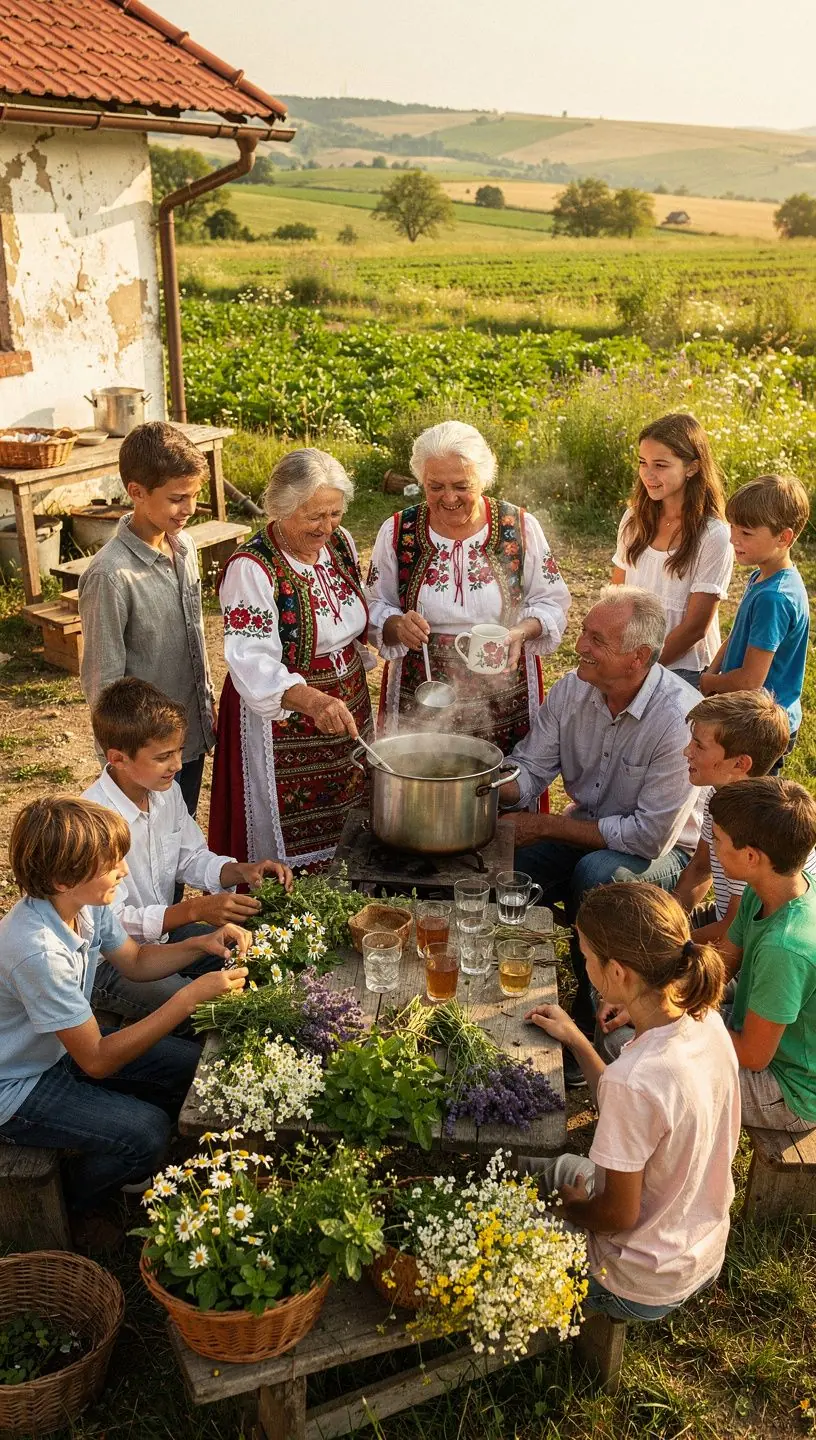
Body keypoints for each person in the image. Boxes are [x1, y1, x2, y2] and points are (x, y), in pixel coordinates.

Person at [0, 798, 248, 1229]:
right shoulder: (37, 951)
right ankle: (76, 1202)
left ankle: (104, 1139)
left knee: (194, 1068)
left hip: (56, 1052)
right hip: (16, 1083)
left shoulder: (86, 905)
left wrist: (199, 944)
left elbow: (134, 960)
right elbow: (96, 1059)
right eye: (111, 864)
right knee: (148, 1134)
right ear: (62, 879)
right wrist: (189, 998)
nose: (124, 871)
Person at [500, 586, 702, 1084]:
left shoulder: (677, 718)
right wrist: (477, 778)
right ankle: (505, 1001)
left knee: (596, 878)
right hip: (586, 825)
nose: (580, 646)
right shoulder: (574, 689)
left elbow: (651, 836)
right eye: (584, 633)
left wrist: (548, 825)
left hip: (670, 851)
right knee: (505, 869)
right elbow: (530, 768)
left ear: (638, 657)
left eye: (596, 639)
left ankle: (595, 1026)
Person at [526, 883, 739, 1324]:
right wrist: (578, 1039)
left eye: (586, 957)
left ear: (618, 973)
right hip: (697, 1246)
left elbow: (617, 1214)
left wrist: (571, 1206)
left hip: (634, 1279)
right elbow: (640, 1112)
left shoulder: (635, 1079)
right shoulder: (708, 1021)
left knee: (502, 1228)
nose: (584, 965)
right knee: (555, 1166)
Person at [596, 690, 815, 1061]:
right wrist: (662, 927)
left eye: (698, 744)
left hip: (761, 976)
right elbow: (699, 869)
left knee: (628, 985)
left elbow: (730, 944)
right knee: (623, 959)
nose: (686, 752)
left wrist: (657, 964)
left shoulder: (759, 852)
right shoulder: (725, 807)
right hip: (740, 942)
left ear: (741, 763)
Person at [82, 678, 292, 1020]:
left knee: (259, 954)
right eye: (163, 756)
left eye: (179, 750)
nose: (178, 765)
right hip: (111, 963)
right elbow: (113, 924)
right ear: (118, 759)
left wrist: (242, 870)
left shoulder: (165, 792)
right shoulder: (94, 822)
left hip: (164, 937)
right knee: (212, 1008)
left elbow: (191, 857)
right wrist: (194, 911)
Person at [209, 449, 375, 871]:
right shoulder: (252, 568)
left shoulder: (340, 543)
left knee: (351, 807)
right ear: (281, 509)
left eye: (334, 513)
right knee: (289, 831)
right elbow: (251, 659)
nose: (327, 527)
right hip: (282, 718)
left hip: (349, 700)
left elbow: (350, 615)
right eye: (314, 516)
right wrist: (313, 701)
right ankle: (287, 917)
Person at [366, 420, 570, 757]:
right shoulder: (397, 531)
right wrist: (396, 625)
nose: (448, 498)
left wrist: (521, 631)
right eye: (435, 486)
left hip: (503, 688)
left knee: (499, 788)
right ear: (421, 481)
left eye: (461, 485)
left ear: (483, 479)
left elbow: (551, 600)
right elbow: (374, 603)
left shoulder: (518, 527)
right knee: (420, 784)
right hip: (422, 688)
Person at [78, 422, 215, 818]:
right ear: (136, 492)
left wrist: (204, 710)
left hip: (186, 739)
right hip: (144, 755)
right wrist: (128, 760)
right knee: (143, 858)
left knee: (177, 842)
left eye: (193, 496)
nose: (188, 509)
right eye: (177, 498)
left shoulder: (184, 546)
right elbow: (102, 682)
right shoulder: (110, 576)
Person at [709, 778, 816, 1133]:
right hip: (753, 1033)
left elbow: (754, 1057)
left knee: (647, 1063)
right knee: (640, 1028)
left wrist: (670, 1019)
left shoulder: (784, 947)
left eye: (718, 840)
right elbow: (720, 969)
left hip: (788, 1091)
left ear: (751, 857)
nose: (712, 845)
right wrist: (650, 997)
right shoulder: (765, 891)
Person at [611, 413, 732, 689]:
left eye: (661, 465)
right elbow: (617, 593)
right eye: (643, 463)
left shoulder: (713, 535)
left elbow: (694, 629)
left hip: (683, 669)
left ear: (692, 468)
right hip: (629, 659)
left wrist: (639, 669)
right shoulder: (633, 519)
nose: (648, 475)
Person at [699, 474, 810, 771]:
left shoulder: (774, 598)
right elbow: (735, 637)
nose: (733, 538)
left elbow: (750, 680)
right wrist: (710, 674)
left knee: (749, 807)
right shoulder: (764, 576)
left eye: (746, 533)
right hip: (750, 714)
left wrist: (712, 683)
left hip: (762, 726)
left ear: (783, 538)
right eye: (733, 527)